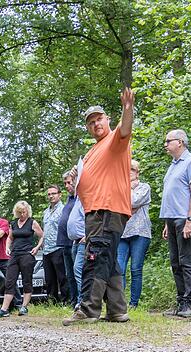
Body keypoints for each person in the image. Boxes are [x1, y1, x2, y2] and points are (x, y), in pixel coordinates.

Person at [63, 87, 134, 326]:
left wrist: (128, 108)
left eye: (99, 119)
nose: (96, 124)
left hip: (107, 209)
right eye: (91, 122)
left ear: (108, 119)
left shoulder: (115, 140)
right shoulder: (92, 151)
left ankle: (88, 309)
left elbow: (125, 129)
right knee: (108, 259)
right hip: (96, 210)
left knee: (94, 257)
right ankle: (117, 310)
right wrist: (76, 177)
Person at [159, 130, 191, 319]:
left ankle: (190, 304)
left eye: (168, 141)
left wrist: (189, 221)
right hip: (172, 218)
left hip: (185, 219)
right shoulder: (173, 165)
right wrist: (167, 223)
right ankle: (180, 303)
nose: (165, 145)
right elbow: (172, 195)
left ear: (181, 142)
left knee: (186, 261)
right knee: (175, 263)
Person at [0, 201, 44, 318]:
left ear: (27, 211)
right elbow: (10, 238)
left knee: (27, 281)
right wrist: (7, 248)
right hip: (14, 255)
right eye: (20, 212)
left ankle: (24, 307)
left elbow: (42, 236)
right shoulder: (14, 223)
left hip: (27, 255)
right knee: (9, 281)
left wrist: (37, 247)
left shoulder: (32, 222)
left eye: (24, 212)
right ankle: (4, 309)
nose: (22, 214)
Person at [116, 159, 151, 308]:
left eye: (132, 169)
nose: (128, 172)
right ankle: (120, 303)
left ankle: (134, 303)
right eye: (126, 169)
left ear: (138, 172)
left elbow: (133, 202)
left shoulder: (145, 187)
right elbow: (116, 204)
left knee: (136, 269)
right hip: (122, 232)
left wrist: (128, 193)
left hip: (140, 232)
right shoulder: (119, 187)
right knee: (120, 268)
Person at [42, 184, 68, 304]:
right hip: (46, 249)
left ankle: (65, 300)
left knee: (62, 276)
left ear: (59, 194)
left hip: (59, 247)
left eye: (53, 193)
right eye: (49, 194)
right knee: (49, 278)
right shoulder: (46, 211)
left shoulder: (64, 209)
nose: (51, 196)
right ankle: (52, 301)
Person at [57, 172, 79, 308]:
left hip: (74, 241)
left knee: (77, 272)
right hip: (65, 242)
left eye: (69, 182)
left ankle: (80, 301)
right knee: (69, 274)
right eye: (64, 183)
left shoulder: (79, 198)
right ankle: (73, 300)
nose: (66, 186)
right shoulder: (70, 199)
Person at [66, 193, 86, 308]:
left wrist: (88, 234)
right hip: (75, 241)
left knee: (78, 269)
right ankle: (79, 300)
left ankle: (83, 301)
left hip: (84, 240)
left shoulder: (85, 197)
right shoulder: (76, 199)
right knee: (75, 272)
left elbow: (92, 217)